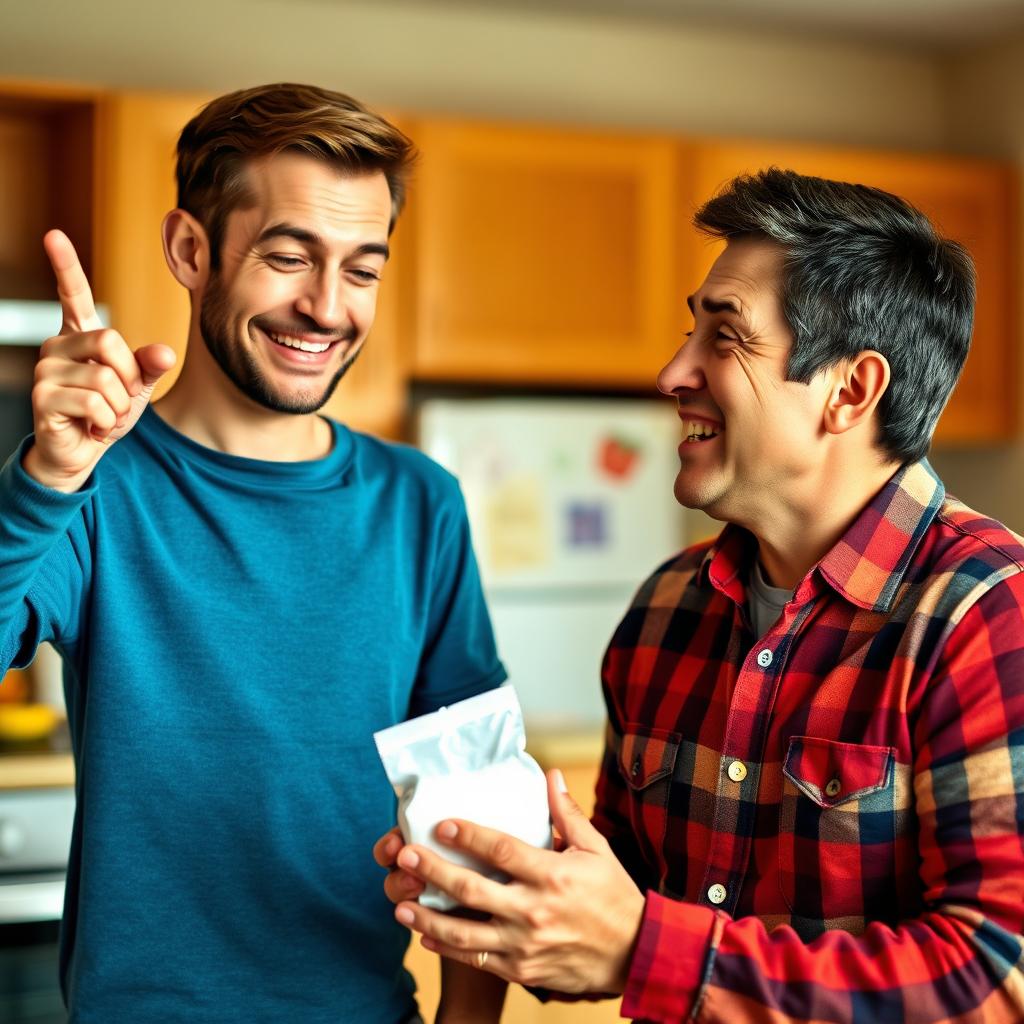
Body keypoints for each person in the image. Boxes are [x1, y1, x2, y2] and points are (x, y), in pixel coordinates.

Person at [375, 168, 1024, 1023]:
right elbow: (610, 931)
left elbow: (997, 980)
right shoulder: (665, 611)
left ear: (851, 391)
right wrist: (504, 885)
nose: (671, 372)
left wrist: (647, 948)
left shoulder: (984, 612)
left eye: (725, 338)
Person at [0, 83, 507, 1023]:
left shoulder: (419, 504)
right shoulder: (96, 487)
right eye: (288, 257)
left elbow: (474, 805)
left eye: (363, 270)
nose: (326, 308)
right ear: (192, 251)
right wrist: (49, 473)